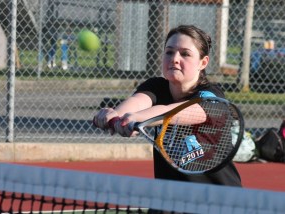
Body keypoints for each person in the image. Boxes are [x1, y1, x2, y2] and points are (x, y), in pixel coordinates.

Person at [93, 25, 242, 187]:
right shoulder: (155, 86)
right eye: (169, 52)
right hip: (169, 196)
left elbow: (175, 112)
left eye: (185, 54)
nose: (175, 59)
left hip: (219, 200)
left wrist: (138, 118)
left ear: (203, 62)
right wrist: (114, 116)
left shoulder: (213, 97)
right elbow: (135, 104)